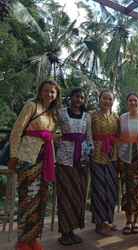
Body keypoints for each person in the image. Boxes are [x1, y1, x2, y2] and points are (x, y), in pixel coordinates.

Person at [8, 80, 60, 250]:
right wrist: (14, 155)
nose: (49, 94)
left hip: (44, 160)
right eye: (46, 91)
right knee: (26, 198)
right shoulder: (31, 106)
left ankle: (32, 238)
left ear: (56, 95)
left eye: (53, 92)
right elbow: (17, 130)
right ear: (40, 92)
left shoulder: (52, 113)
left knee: (40, 199)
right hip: (27, 157)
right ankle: (22, 240)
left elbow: (51, 136)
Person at [55, 88, 93, 245]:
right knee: (65, 195)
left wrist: (89, 153)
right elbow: (53, 132)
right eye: (76, 96)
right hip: (65, 160)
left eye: (82, 97)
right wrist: (57, 143)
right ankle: (65, 232)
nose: (79, 99)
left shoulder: (87, 117)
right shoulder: (61, 113)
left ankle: (73, 230)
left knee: (79, 194)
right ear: (70, 98)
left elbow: (89, 136)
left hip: (82, 160)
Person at [91, 89, 119, 236]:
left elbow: (119, 136)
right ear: (99, 99)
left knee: (111, 190)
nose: (107, 101)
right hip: (97, 156)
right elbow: (88, 136)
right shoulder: (92, 116)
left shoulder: (116, 117)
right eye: (104, 98)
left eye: (110, 99)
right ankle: (99, 223)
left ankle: (109, 220)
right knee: (99, 191)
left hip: (112, 157)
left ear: (113, 101)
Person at [118, 93, 138, 235]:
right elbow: (118, 138)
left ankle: (137, 220)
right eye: (130, 100)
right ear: (127, 102)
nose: (133, 102)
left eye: (135, 100)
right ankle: (128, 220)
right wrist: (119, 158)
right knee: (127, 190)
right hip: (125, 156)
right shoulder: (122, 118)